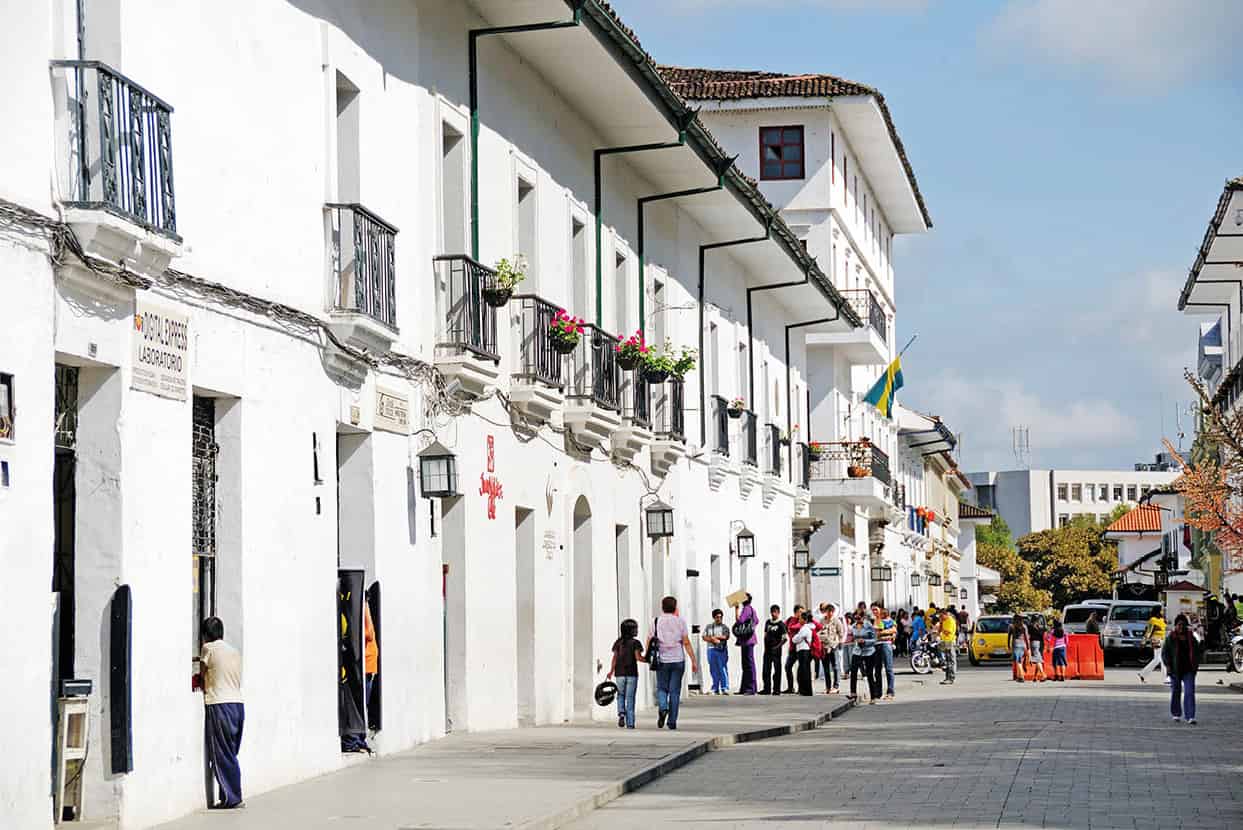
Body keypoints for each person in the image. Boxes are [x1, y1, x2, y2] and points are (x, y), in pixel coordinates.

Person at [196, 617, 245, 809]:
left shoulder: (208, 649)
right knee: (231, 752)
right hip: (238, 704)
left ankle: (232, 797)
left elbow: (201, 674)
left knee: (222, 753)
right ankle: (231, 795)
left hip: (219, 704)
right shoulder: (234, 651)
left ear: (205, 636)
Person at [651, 596, 698, 730]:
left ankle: (663, 707)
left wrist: (646, 657)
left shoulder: (655, 621)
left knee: (661, 688)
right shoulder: (680, 621)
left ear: (662, 606)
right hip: (678, 659)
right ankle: (672, 721)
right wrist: (693, 660)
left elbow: (650, 641)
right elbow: (686, 642)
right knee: (675, 692)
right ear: (675, 607)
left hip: (662, 660)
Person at [1162, 613, 1204, 724]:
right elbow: (1165, 653)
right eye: (1179, 625)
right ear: (1175, 626)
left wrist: (1196, 665)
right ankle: (1176, 713)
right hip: (1175, 670)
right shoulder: (1171, 638)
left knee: (1189, 692)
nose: (1181, 627)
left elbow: (1197, 652)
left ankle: (1190, 716)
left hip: (1188, 670)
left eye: (1183, 625)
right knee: (1176, 691)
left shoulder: (1191, 638)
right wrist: (1168, 666)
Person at [607, 619, 645, 728]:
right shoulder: (635, 643)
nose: (637, 630)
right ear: (631, 630)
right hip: (632, 674)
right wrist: (648, 660)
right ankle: (631, 723)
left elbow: (615, 658)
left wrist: (611, 671)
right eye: (635, 629)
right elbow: (638, 657)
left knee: (620, 695)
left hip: (619, 673)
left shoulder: (618, 642)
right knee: (630, 697)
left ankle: (621, 713)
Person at [849, 611, 880, 703]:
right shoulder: (854, 626)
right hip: (857, 650)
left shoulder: (868, 626)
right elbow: (853, 637)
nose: (857, 621)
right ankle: (853, 693)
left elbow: (875, 639)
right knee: (853, 671)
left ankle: (873, 696)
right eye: (856, 619)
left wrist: (865, 641)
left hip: (868, 651)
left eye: (859, 619)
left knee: (869, 673)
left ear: (863, 618)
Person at [734, 594, 759, 695]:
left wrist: (736, 610)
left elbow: (740, 621)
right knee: (748, 664)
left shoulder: (746, 609)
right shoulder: (752, 609)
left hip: (746, 640)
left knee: (747, 664)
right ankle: (746, 688)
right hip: (751, 638)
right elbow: (756, 621)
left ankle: (750, 688)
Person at [759, 605, 786, 695]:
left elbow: (784, 639)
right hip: (767, 650)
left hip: (776, 651)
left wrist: (777, 647)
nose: (773, 614)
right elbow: (765, 634)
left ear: (778, 613)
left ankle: (776, 689)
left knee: (777, 670)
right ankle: (766, 688)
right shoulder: (768, 622)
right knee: (766, 670)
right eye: (772, 612)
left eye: (775, 612)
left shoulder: (781, 624)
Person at [703, 609, 731, 695]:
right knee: (713, 669)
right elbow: (704, 636)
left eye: (720, 617)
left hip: (721, 650)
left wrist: (715, 637)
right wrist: (711, 639)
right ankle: (715, 688)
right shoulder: (709, 627)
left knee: (722, 668)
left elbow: (726, 636)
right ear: (714, 617)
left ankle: (725, 687)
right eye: (717, 617)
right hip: (711, 649)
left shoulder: (724, 627)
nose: (719, 619)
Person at [1137, 606, 1168, 685]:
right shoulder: (1152, 620)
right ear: (1158, 611)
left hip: (1163, 640)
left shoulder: (1162, 620)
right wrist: (1144, 641)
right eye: (1161, 610)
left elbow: (1164, 630)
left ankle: (1143, 674)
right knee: (1160, 659)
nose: (1163, 612)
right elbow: (1149, 631)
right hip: (1156, 639)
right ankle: (1166, 678)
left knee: (1159, 659)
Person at [820, 603, 845, 694]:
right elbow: (818, 631)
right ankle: (827, 686)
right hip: (824, 646)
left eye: (831, 611)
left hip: (833, 645)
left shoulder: (836, 621)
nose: (829, 613)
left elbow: (841, 632)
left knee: (835, 666)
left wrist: (840, 642)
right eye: (828, 611)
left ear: (833, 612)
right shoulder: (822, 620)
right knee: (826, 667)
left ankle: (836, 686)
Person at [793, 610, 816, 696]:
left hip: (804, 651)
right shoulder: (806, 628)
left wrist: (795, 638)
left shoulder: (805, 629)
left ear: (804, 620)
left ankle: (805, 690)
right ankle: (804, 690)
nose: (799, 620)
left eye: (800, 619)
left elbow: (796, 639)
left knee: (804, 671)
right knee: (803, 671)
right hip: (803, 650)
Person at [875, 607, 897, 699]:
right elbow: (876, 634)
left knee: (889, 669)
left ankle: (890, 691)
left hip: (886, 645)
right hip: (877, 645)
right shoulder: (877, 621)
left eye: (881, 613)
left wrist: (883, 634)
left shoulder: (891, 621)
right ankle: (878, 692)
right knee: (877, 670)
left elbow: (894, 631)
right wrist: (886, 635)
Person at [783, 604, 805, 693]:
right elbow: (783, 626)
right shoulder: (790, 619)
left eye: (803, 612)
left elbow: (793, 628)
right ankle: (790, 687)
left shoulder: (802, 621)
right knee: (787, 667)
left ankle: (801, 688)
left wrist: (789, 628)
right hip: (792, 648)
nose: (802, 614)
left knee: (800, 669)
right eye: (800, 612)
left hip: (801, 649)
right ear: (796, 612)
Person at [937, 608, 958, 685]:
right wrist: (941, 624)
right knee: (947, 661)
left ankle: (951, 677)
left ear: (945, 614)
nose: (941, 617)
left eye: (942, 616)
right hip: (945, 641)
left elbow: (947, 632)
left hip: (950, 641)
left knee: (951, 660)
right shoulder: (944, 621)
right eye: (940, 616)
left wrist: (942, 628)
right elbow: (940, 630)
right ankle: (947, 677)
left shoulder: (950, 620)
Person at [1008, 614, 1030, 683]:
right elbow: (1026, 637)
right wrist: (1028, 647)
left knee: (1018, 662)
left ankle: (1022, 677)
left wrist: (1008, 645)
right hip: (1023, 645)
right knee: (1020, 660)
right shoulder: (1024, 626)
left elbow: (1009, 637)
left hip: (1016, 645)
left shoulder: (1011, 626)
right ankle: (1019, 676)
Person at [1028, 614, 1047, 682]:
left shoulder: (1030, 626)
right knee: (1038, 658)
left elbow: (1028, 635)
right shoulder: (1042, 626)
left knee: (1037, 660)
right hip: (1041, 643)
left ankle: (1043, 674)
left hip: (1034, 643)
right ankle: (1035, 676)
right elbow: (1045, 634)